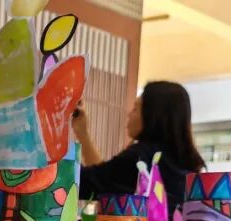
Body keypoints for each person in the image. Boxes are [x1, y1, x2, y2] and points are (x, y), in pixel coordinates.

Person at [72, 81, 205, 214]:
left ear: (151, 115)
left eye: (135, 108)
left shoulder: (140, 158)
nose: (129, 114)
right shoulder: (188, 167)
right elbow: (107, 179)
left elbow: (86, 182)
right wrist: (83, 134)